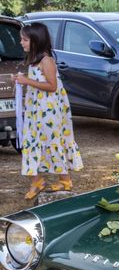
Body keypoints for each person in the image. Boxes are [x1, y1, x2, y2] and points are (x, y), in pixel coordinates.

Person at [14, 23, 83, 200]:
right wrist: (23, 80)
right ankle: (37, 181)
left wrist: (27, 81)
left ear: (36, 40)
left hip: (49, 110)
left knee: (53, 141)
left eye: (25, 39)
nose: (21, 42)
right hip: (36, 110)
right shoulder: (34, 61)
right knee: (31, 141)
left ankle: (65, 180)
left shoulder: (47, 60)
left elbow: (52, 86)